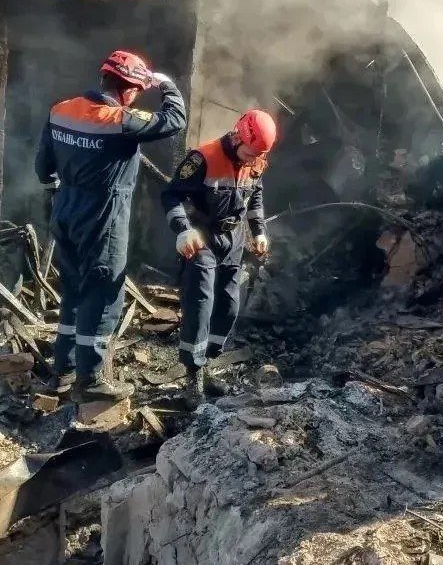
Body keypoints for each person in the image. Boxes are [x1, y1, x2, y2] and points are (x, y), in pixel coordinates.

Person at [35, 51, 186, 402]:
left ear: (103, 78)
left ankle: (63, 370)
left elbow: (44, 167)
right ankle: (90, 380)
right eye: (137, 89)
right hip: (102, 215)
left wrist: (57, 192)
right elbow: (174, 120)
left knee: (73, 290)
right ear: (130, 89)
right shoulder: (120, 120)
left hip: (66, 209)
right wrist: (167, 85)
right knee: (103, 293)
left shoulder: (61, 109)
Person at [162, 109, 276, 405]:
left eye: (259, 156)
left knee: (229, 303)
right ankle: (193, 376)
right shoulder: (203, 158)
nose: (254, 160)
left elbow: (257, 194)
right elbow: (171, 195)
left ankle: (210, 361)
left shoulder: (257, 159)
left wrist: (259, 231)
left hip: (234, 239)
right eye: (251, 153)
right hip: (203, 238)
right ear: (239, 135)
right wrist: (182, 230)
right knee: (201, 303)